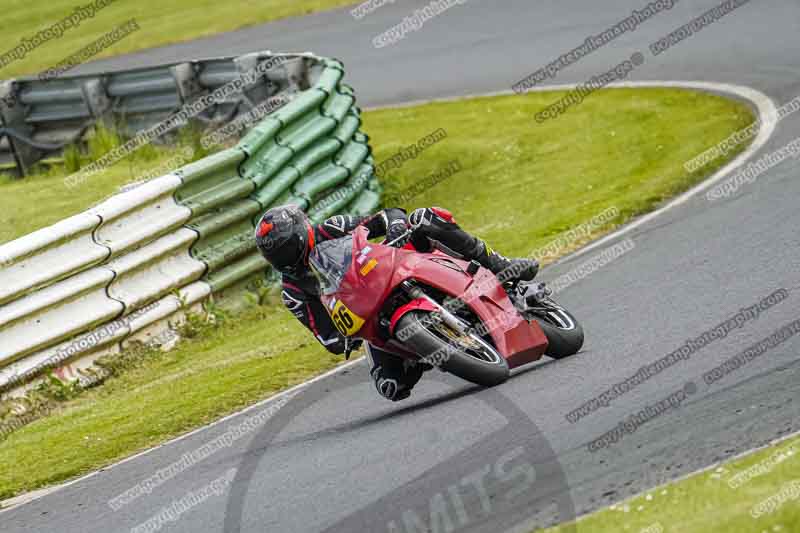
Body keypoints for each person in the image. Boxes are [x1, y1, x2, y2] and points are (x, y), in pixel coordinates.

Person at [254, 205, 538, 401]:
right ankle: (431, 347)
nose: (286, 259)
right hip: (368, 314)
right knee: (391, 387)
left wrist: (395, 229)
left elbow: (387, 216)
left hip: (388, 268)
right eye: (277, 256)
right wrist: (344, 338)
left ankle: (502, 265)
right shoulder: (293, 291)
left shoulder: (331, 228)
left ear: (303, 232)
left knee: (426, 217)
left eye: (288, 248)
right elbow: (327, 337)